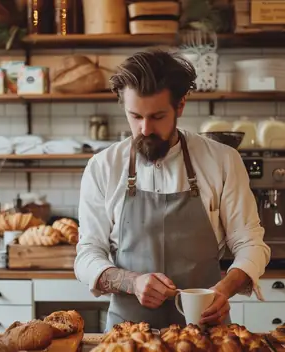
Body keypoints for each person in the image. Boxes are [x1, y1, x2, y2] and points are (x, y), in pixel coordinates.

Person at [74, 50, 270, 331]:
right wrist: (131, 282)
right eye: (135, 116)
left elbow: (251, 244)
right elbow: (88, 254)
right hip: (128, 336)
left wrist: (224, 290)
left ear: (180, 106)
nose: (145, 128)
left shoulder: (223, 160)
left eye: (157, 116)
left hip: (207, 332)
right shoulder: (103, 166)